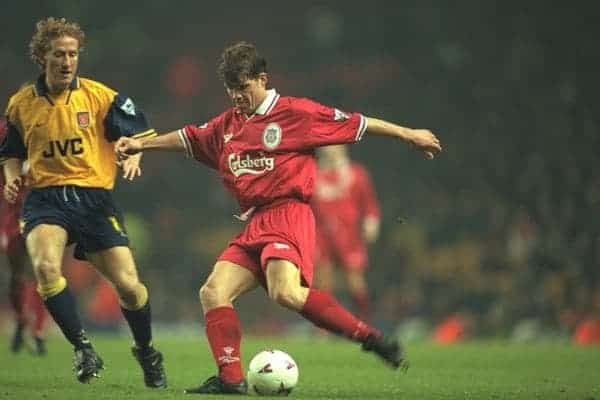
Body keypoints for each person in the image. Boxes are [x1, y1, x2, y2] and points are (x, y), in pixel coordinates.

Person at [116, 41, 442, 395]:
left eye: (243, 87)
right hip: (255, 222)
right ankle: (230, 380)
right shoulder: (228, 125)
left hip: (288, 213)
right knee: (212, 292)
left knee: (284, 293)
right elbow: (187, 137)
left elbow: (357, 123)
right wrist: (140, 144)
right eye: (231, 90)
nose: (237, 96)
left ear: (262, 79)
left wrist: (409, 134)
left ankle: (374, 339)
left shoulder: (296, 113)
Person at [0, 17, 166, 388]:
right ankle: (83, 347)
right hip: (45, 198)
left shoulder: (100, 96)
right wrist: (12, 179)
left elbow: (137, 132)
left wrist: (134, 153)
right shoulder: (21, 104)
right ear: (42, 56)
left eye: (73, 54)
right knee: (44, 265)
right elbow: (10, 152)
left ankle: (147, 350)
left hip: (93, 200)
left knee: (130, 287)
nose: (67, 61)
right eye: (59, 54)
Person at [312, 144, 380, 322]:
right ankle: (324, 326)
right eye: (328, 146)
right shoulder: (313, 174)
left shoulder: (356, 173)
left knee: (354, 279)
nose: (331, 150)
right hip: (321, 232)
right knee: (323, 280)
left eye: (336, 146)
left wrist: (371, 221)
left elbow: (369, 202)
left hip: (349, 233)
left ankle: (364, 320)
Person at [0, 119, 49, 355]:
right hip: (11, 218)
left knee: (43, 271)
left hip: (39, 215)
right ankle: (21, 319)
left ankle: (38, 331)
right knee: (16, 275)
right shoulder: (5, 133)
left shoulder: (50, 132)